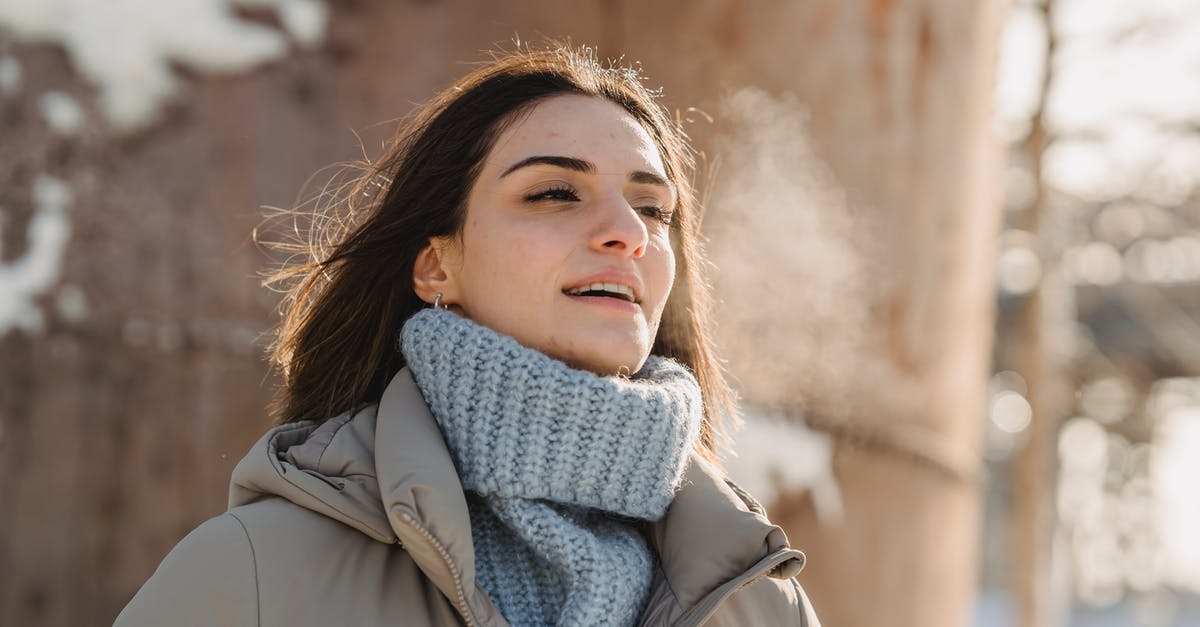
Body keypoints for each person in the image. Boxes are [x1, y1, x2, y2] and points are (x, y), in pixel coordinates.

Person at [114, 42, 821, 627]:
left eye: (652, 207)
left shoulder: (762, 603)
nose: (628, 233)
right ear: (435, 264)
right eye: (554, 192)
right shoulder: (258, 575)